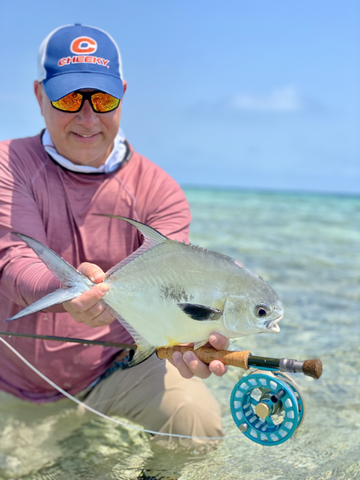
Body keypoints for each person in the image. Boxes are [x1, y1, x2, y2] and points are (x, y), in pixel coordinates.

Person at [0, 24, 229, 445]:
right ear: (39, 96)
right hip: (10, 381)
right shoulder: (8, 163)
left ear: (122, 93)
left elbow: (175, 289)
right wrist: (67, 290)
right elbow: (13, 260)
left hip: (112, 372)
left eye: (102, 99)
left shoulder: (161, 193)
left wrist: (189, 338)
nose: (88, 117)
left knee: (195, 423)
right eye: (69, 98)